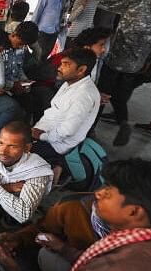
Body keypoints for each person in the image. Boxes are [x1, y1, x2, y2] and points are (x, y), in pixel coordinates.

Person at [97, 1, 151, 146]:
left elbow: (105, 3)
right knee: (120, 97)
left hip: (115, 60)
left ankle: (90, 129)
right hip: (135, 65)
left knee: (101, 95)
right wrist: (149, 61)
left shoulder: (136, 2)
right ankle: (123, 123)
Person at [31, 47, 100, 180]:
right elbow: (54, 112)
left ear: (81, 70)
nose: (59, 67)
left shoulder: (83, 95)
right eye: (61, 63)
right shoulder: (71, 82)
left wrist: (41, 136)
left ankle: (56, 164)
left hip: (58, 144)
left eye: (66, 64)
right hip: (48, 133)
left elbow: (67, 131)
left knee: (16, 153)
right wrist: (37, 129)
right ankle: (56, 164)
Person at [2, 21, 38, 91]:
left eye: (25, 45)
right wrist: (13, 85)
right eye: (20, 43)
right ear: (14, 34)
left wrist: (25, 80)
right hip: (2, 88)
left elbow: (19, 69)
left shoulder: (21, 49)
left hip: (16, 85)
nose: (21, 47)